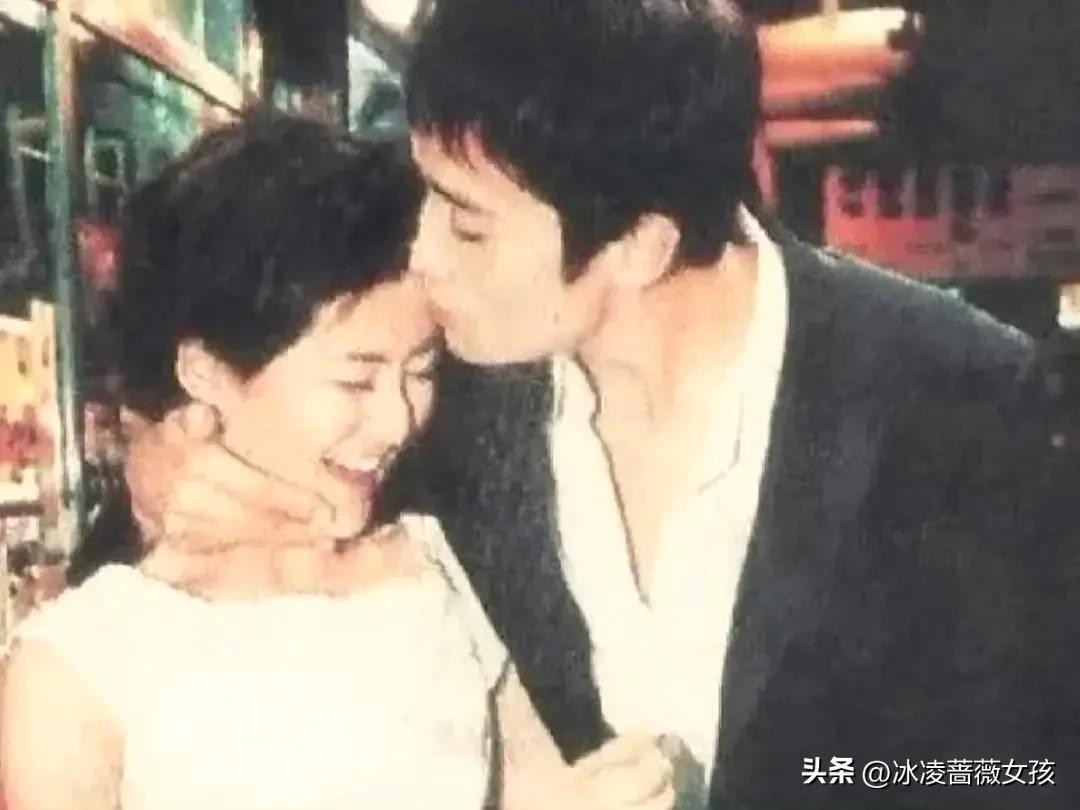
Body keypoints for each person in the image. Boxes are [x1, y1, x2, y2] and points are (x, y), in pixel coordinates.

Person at [122, 2, 1080, 808]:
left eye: (468, 226)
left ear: (638, 248)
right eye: (430, 199)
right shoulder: (433, 385)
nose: (422, 256)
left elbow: (1026, 768)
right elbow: (167, 515)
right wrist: (168, 465)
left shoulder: (954, 393)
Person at [0, 116, 679, 810]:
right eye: (355, 380)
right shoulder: (81, 662)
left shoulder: (440, 563)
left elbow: (535, 785)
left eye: (421, 370)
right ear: (206, 371)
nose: (397, 420)